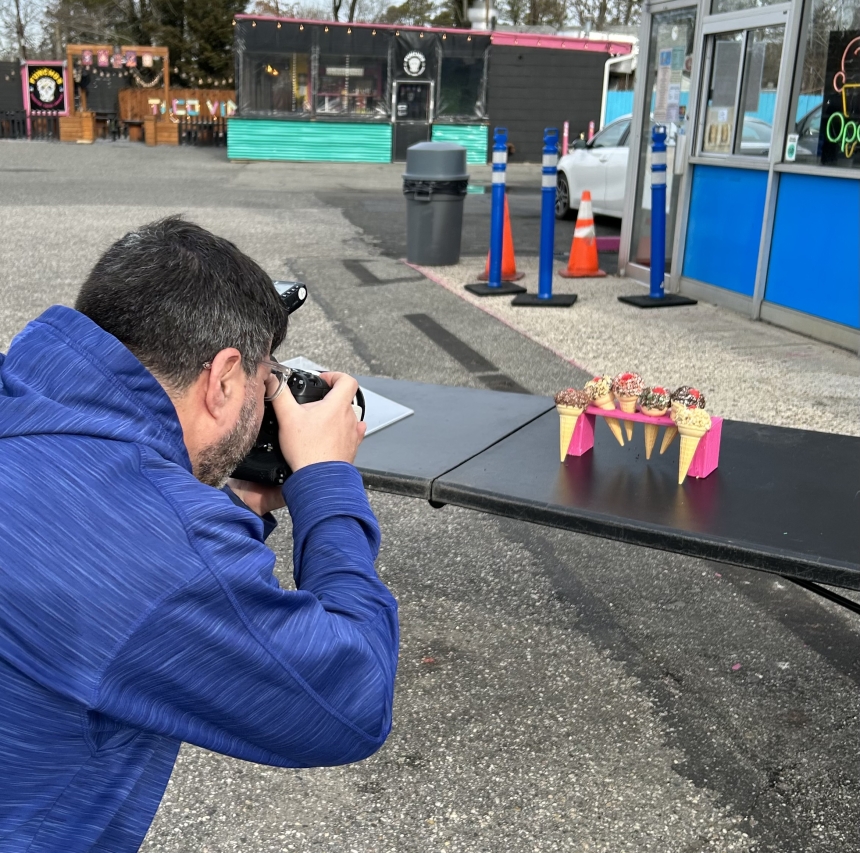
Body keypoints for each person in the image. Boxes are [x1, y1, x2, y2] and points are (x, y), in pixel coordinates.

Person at [0, 217, 399, 852]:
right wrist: (325, 480)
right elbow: (353, 700)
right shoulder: (154, 547)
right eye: (266, 381)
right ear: (223, 379)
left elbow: (122, 537)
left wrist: (238, 503)